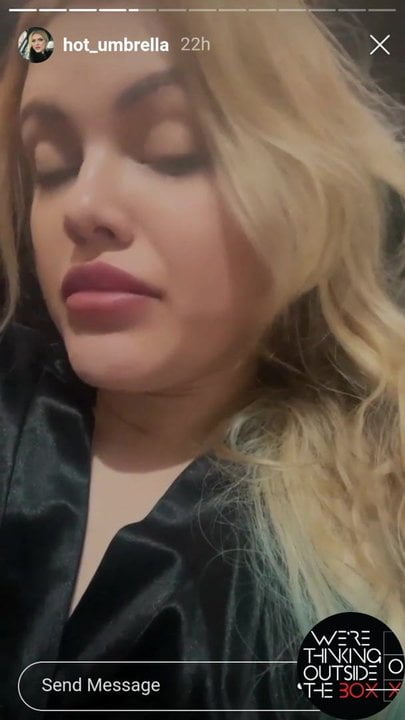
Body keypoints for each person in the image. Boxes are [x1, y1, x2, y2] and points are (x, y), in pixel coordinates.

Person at [0, 0, 404, 718]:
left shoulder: (379, 515)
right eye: (52, 166)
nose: (81, 206)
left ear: (302, 194)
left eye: (171, 149)